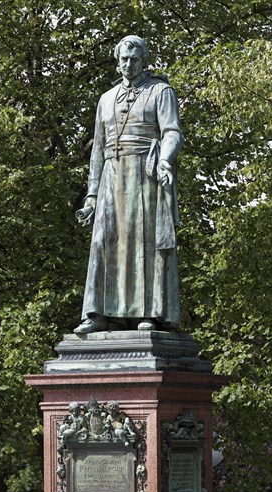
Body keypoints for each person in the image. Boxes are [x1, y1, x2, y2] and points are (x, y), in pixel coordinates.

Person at [75, 35, 184, 334]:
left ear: (144, 60)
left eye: (134, 59)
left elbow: (173, 132)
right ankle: (101, 313)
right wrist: (91, 195)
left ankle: (148, 312)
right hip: (111, 179)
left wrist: (165, 160)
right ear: (117, 60)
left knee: (143, 243)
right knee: (105, 243)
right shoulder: (106, 99)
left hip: (144, 176)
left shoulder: (160, 91)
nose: (128, 64)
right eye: (123, 59)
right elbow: (98, 150)